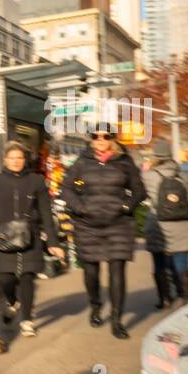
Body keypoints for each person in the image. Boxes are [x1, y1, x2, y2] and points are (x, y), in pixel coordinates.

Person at [59, 122, 148, 338]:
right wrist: (80, 208)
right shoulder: (82, 161)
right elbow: (66, 188)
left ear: (113, 139)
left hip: (118, 224)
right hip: (87, 225)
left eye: (106, 136)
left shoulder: (125, 161)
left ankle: (117, 320)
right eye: (96, 136)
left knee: (117, 271)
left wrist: (127, 206)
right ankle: (96, 305)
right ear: (90, 139)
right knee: (91, 272)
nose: (101, 140)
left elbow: (139, 190)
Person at [0, 141, 65, 338]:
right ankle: (13, 301)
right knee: (4, 278)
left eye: (19, 158)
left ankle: (27, 320)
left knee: (27, 278)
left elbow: (46, 213)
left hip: (30, 238)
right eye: (11, 158)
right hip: (3, 237)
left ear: (25, 160)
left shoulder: (36, 181)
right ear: (5, 160)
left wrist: (54, 243)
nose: (15, 161)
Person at [142, 140, 188, 308]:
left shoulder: (148, 176)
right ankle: (187, 299)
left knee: (159, 264)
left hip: (157, 225)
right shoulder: (185, 176)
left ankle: (164, 299)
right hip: (181, 225)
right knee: (182, 264)